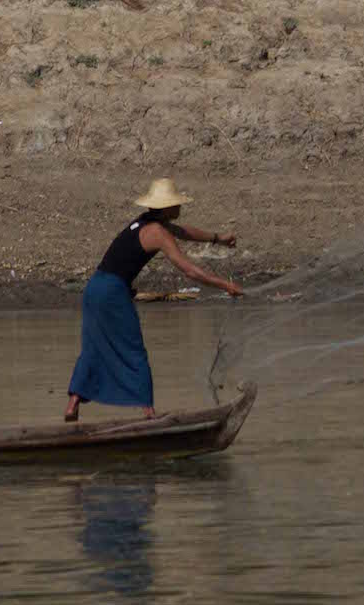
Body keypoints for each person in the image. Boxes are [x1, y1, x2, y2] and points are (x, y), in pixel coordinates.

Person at [65, 179, 242, 422]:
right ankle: (148, 412)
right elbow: (189, 270)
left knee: (93, 347)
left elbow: (184, 232)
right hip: (113, 292)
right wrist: (225, 285)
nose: (179, 207)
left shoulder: (144, 221)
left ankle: (73, 404)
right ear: (167, 208)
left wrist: (217, 238)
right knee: (133, 349)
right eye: (176, 204)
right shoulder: (158, 233)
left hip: (95, 287)